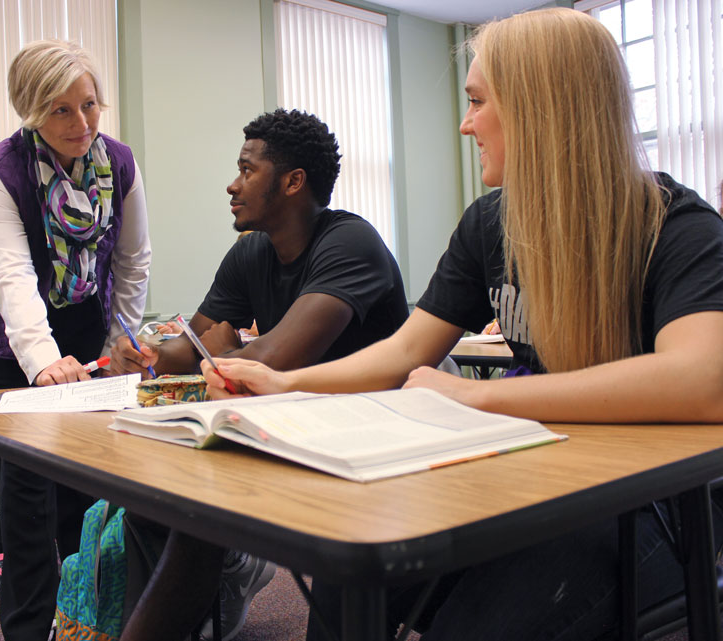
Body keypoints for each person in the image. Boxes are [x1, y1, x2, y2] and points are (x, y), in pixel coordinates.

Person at [201, 8, 723, 641]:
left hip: (659, 510)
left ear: (539, 108)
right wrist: (283, 385)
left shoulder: (678, 227)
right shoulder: (490, 224)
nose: (464, 122)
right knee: (349, 558)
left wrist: (477, 395)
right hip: (544, 474)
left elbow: (703, 381)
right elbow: (404, 350)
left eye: (477, 102)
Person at [112, 109, 409, 641]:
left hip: (378, 447)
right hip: (297, 432)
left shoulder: (349, 243)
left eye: (247, 170)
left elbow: (272, 361)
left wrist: (228, 352)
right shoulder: (251, 252)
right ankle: (226, 570)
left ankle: (237, 563)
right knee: (169, 507)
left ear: (293, 182)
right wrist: (146, 353)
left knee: (213, 516)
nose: (233, 183)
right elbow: (189, 347)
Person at [0, 40, 150, 641]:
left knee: (83, 480)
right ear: (32, 110)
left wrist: (123, 340)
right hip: (13, 336)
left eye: (89, 105)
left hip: (84, 325)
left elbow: (132, 262)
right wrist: (42, 364)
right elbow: (13, 275)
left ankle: (82, 620)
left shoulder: (118, 163)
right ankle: (24, 628)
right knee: (27, 489)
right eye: (62, 110)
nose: (82, 123)